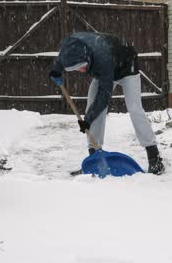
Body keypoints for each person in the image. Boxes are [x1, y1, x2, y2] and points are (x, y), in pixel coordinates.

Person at [49, 31, 165, 175]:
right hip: (105, 66)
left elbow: (104, 98)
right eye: (77, 68)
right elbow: (61, 59)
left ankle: (154, 158)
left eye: (83, 66)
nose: (82, 70)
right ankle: (94, 159)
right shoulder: (70, 49)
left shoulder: (102, 58)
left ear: (86, 58)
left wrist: (88, 120)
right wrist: (56, 70)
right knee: (91, 105)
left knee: (134, 108)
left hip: (126, 66)